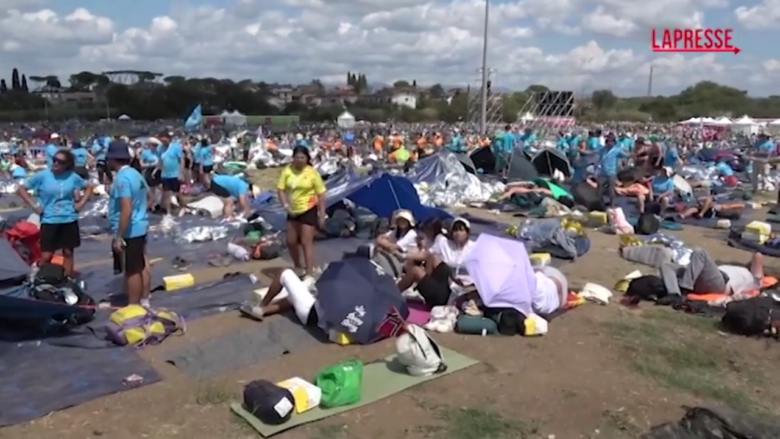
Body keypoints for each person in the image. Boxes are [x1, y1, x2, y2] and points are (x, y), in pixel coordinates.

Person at [17, 149, 93, 276]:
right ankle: (39, 277)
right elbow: (21, 189)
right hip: (49, 219)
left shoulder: (72, 177)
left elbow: (89, 187)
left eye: (61, 162)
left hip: (69, 218)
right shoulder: (43, 175)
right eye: (55, 160)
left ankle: (67, 279)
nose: (56, 163)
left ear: (67, 164)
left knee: (68, 252)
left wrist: (80, 204)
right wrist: (34, 205)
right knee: (47, 255)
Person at [106, 140, 151, 306]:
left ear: (113, 159)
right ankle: (144, 298)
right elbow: (149, 195)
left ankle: (133, 305)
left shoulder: (122, 179)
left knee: (132, 270)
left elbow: (126, 208)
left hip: (130, 230)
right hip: (141, 225)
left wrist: (118, 236)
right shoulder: (135, 173)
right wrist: (142, 211)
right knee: (142, 264)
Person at [397, 217, 475, 308]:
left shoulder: (474, 248)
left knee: (415, 271)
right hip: (445, 283)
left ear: (467, 232)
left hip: (455, 292)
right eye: (455, 230)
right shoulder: (444, 243)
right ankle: (426, 284)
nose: (458, 233)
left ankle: (394, 291)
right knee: (433, 257)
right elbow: (427, 255)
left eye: (461, 230)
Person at [277, 146, 325, 277]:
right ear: (293, 158)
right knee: (291, 241)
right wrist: (285, 205)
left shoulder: (312, 173)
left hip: (308, 209)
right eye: (297, 157)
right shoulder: (287, 171)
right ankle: (298, 266)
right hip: (292, 210)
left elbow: (321, 193)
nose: (299, 160)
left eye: (302, 157)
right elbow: (280, 189)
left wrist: (321, 213)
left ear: (307, 159)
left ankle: (309, 271)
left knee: (305, 242)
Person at [660, 248, 764, 296]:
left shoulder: (754, 279)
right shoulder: (740, 269)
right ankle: (674, 294)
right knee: (666, 265)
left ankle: (685, 287)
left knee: (700, 253)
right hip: (703, 278)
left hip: (720, 284)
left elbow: (758, 255)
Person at [158, 134, 187, 215]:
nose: (163, 142)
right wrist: (156, 170)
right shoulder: (160, 148)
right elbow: (160, 160)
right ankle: (168, 212)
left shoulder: (175, 147)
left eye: (165, 141)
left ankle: (183, 207)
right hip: (165, 174)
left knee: (177, 193)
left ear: (168, 139)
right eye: (162, 141)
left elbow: (181, 160)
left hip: (174, 174)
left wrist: (180, 172)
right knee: (167, 194)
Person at [597, 135, 627, 208]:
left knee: (611, 190)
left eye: (611, 142)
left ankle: (612, 205)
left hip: (611, 173)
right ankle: (600, 203)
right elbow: (593, 153)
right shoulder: (602, 149)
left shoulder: (617, 150)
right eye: (608, 141)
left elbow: (626, 155)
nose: (609, 143)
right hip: (602, 172)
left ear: (614, 142)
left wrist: (634, 154)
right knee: (599, 189)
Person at [678, 196, 744, 220]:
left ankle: (701, 213)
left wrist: (739, 205)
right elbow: (698, 199)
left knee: (694, 209)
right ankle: (683, 215)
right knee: (693, 209)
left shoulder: (720, 207)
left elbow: (730, 206)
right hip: (705, 211)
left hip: (708, 212)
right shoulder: (720, 206)